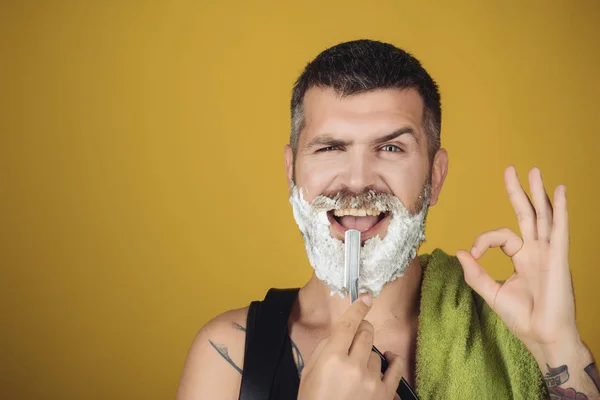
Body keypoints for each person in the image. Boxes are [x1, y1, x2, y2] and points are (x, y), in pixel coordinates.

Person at [176, 40, 600, 399]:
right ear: (292, 170)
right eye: (329, 148)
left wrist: (557, 345)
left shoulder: (513, 336)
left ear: (435, 177)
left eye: (391, 148)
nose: (358, 182)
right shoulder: (230, 357)